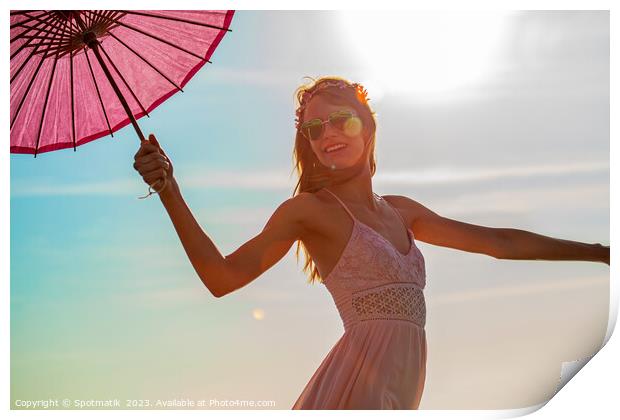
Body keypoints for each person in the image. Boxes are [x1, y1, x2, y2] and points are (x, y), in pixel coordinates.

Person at [132, 76, 610, 409]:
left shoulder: (401, 210)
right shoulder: (310, 212)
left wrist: (599, 253)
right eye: (314, 129)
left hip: (404, 385)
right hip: (356, 387)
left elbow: (498, 242)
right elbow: (222, 277)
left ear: (368, 124)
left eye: (340, 120)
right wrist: (170, 191)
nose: (327, 136)